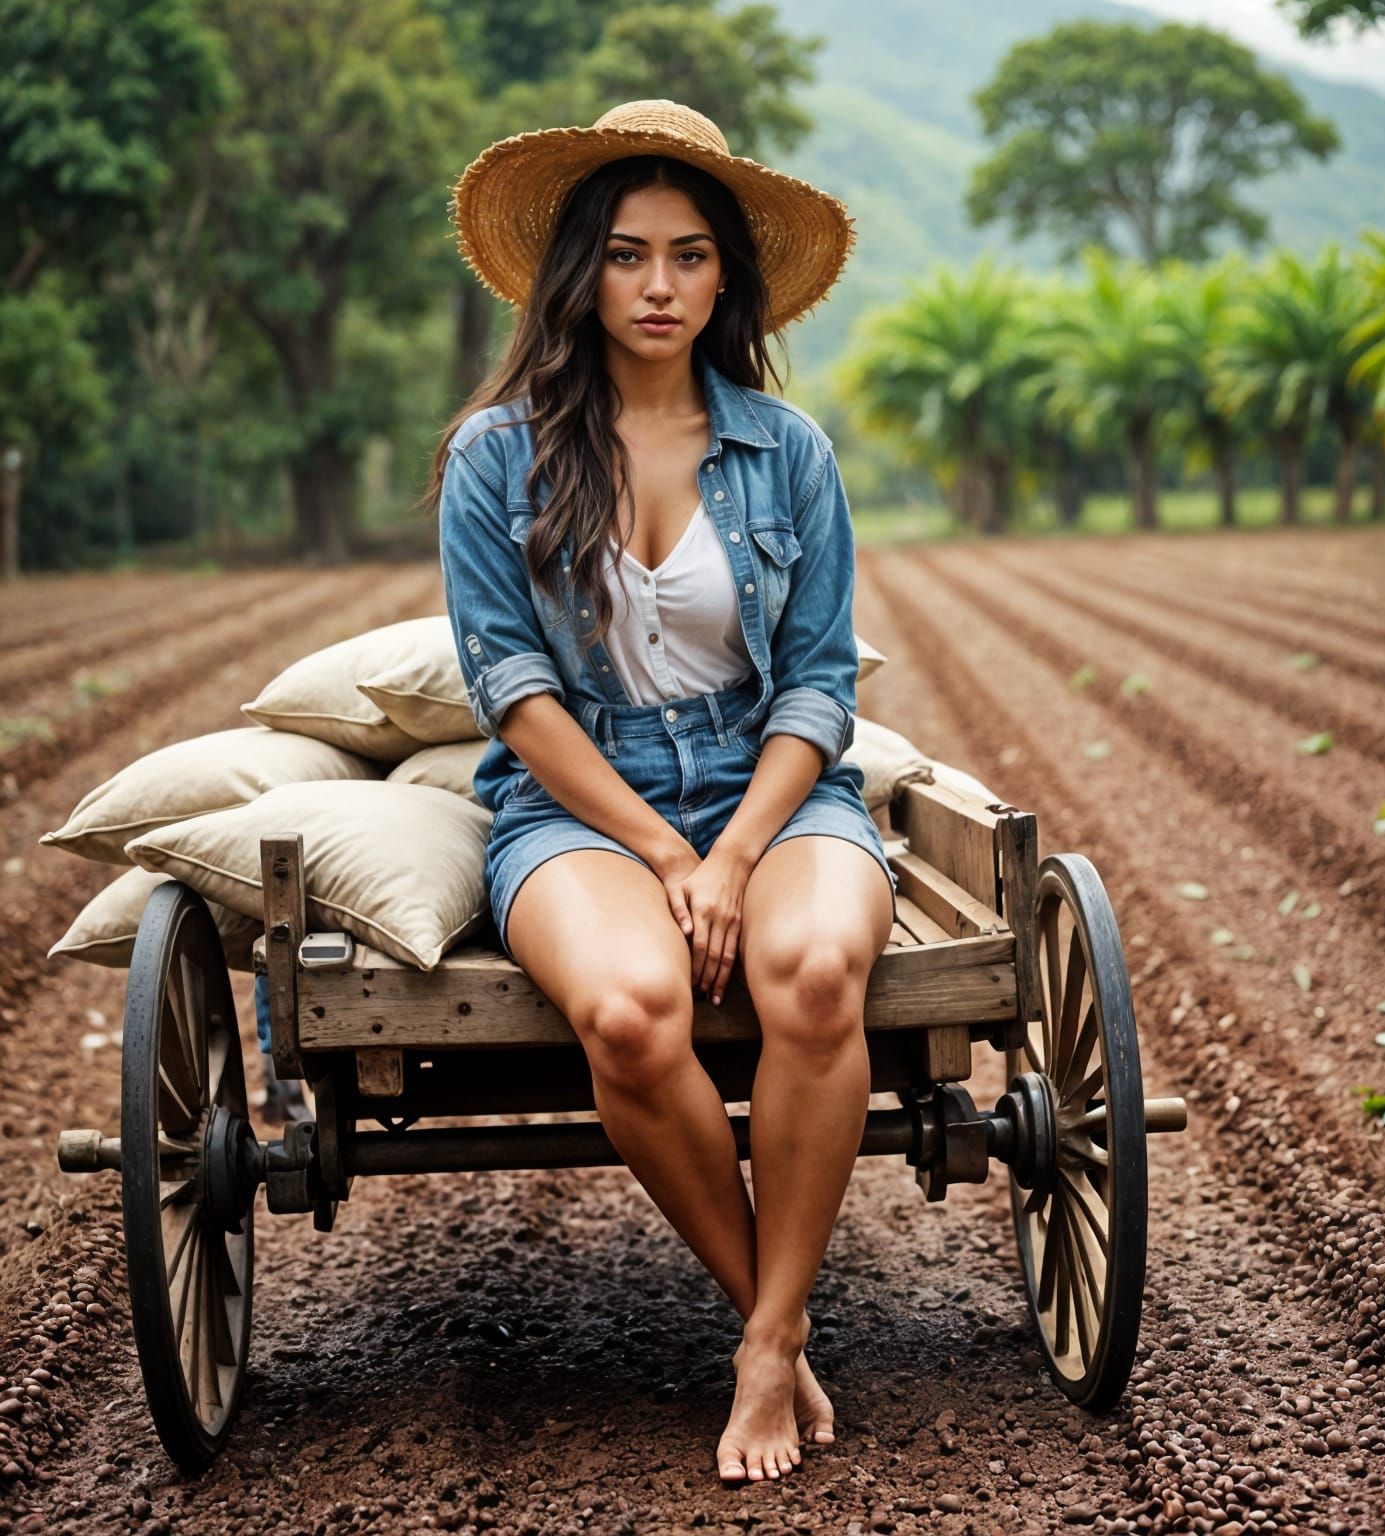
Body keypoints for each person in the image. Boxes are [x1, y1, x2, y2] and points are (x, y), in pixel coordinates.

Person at [426, 99, 898, 1486]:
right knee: (631, 1013)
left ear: (725, 281)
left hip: (771, 786)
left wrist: (738, 852)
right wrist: (658, 848)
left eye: (689, 257)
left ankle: (764, 1344)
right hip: (578, 800)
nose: (658, 287)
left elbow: (817, 686)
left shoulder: (787, 453)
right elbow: (514, 691)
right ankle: (775, 1311)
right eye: (628, 255)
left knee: (814, 977)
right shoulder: (492, 457)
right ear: (580, 270)